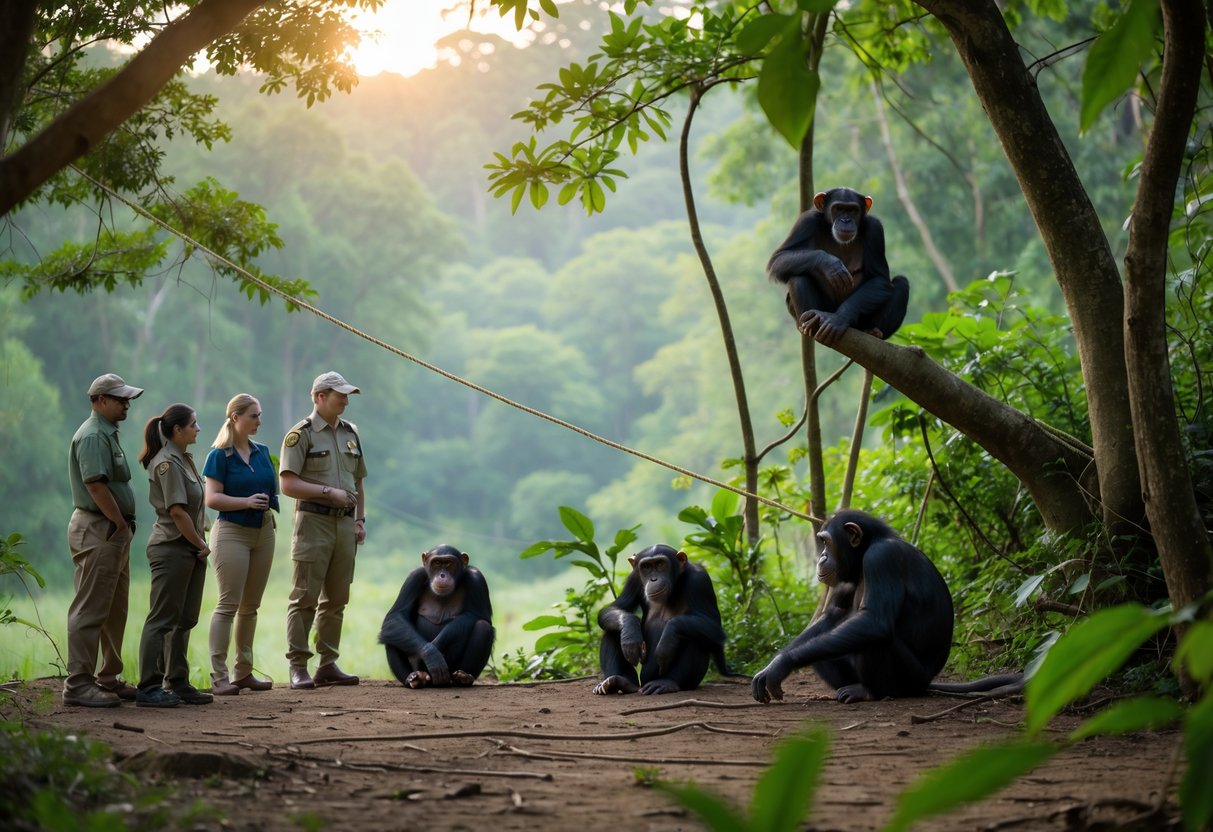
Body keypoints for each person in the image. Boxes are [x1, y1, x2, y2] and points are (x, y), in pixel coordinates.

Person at [279, 371, 367, 690]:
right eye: (339, 394)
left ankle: (328, 663)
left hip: (345, 524)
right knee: (305, 596)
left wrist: (360, 520)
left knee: (337, 597)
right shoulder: (300, 434)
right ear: (319, 397)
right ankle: (298, 666)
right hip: (313, 522)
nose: (345, 399)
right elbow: (287, 484)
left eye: (347, 394)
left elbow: (358, 480)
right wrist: (329, 493)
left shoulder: (350, 432)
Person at [64, 373, 144, 708]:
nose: (126, 404)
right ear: (99, 401)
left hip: (111, 529)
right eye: (119, 399)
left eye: (127, 399)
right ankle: (79, 684)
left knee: (114, 607)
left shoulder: (107, 434)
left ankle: (107, 678)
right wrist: (118, 523)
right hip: (100, 528)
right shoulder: (94, 436)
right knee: (91, 606)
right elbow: (95, 486)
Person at [135, 403, 212, 708]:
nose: (198, 428)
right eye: (193, 424)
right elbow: (177, 512)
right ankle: (148, 686)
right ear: (177, 430)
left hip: (189, 549)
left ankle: (177, 681)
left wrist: (197, 547)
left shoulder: (185, 459)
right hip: (173, 547)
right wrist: (200, 545)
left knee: (185, 618)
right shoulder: (166, 463)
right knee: (162, 619)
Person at [203, 394, 278, 696]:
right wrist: (245, 501)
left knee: (251, 607)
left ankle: (243, 672)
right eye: (253, 416)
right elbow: (212, 499)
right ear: (235, 418)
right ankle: (219, 676)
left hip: (263, 532)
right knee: (228, 605)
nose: (259, 421)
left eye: (260, 416)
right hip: (231, 532)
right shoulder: (219, 456)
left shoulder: (262, 452)